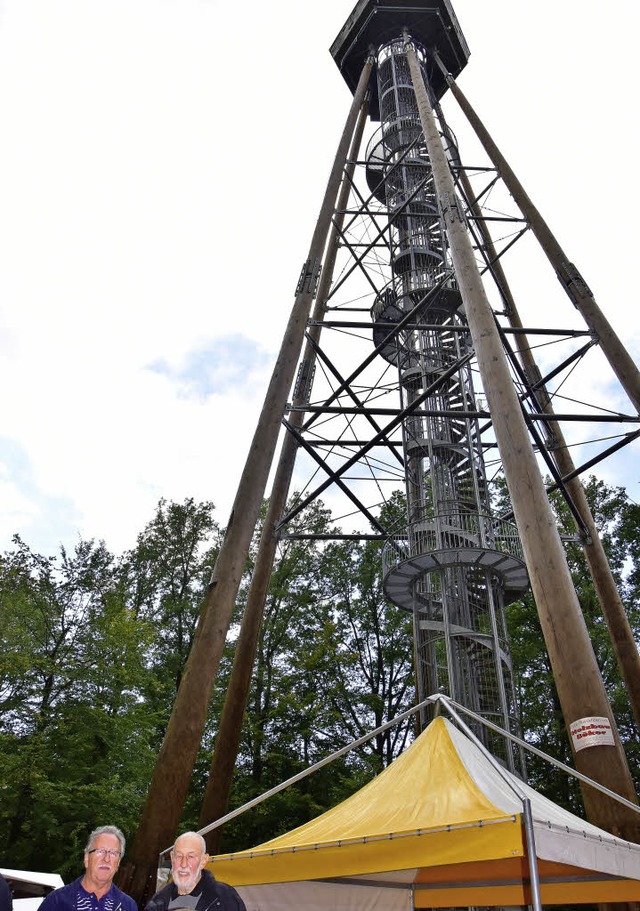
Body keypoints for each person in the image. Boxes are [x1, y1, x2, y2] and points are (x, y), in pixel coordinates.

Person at [39, 825, 137, 911]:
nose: (106, 859)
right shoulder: (56, 902)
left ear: (118, 863)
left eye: (113, 853)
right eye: (100, 851)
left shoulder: (128, 906)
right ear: (86, 858)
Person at [144, 832, 244, 911]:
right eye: (179, 856)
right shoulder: (157, 903)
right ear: (172, 857)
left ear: (203, 861)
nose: (183, 864)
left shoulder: (225, 897)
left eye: (190, 857)